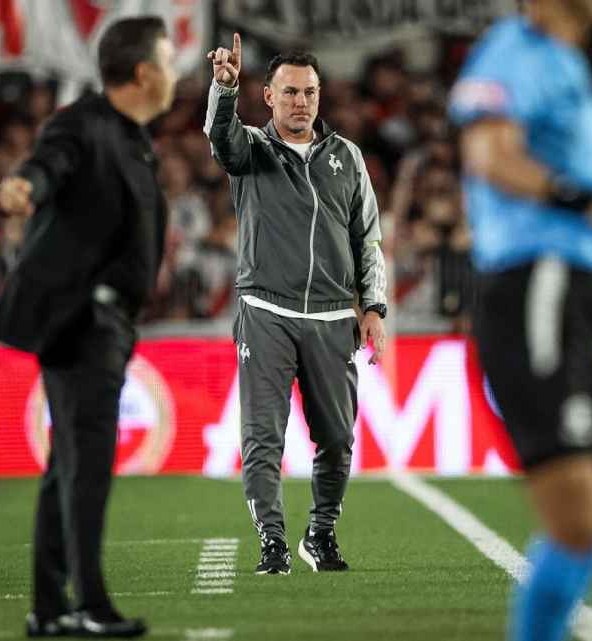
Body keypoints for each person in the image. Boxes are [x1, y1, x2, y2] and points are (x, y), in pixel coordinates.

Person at [449, 1, 592, 640]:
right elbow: (490, 156)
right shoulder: (513, 51)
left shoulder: (568, 61)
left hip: (573, 293)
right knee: (578, 512)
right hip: (534, 285)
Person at [0, 16, 177, 639]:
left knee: (67, 466)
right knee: (86, 465)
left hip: (108, 322)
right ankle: (91, 606)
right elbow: (50, 163)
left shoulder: (132, 136)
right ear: (144, 72)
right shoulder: (85, 123)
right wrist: (24, 186)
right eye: (169, 62)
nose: (175, 75)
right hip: (82, 321)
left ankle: (49, 608)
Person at [204, 35, 388, 575]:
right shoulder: (251, 150)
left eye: (308, 92)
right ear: (267, 97)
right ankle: (273, 544)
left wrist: (373, 308)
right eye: (289, 93)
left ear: (319, 95)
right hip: (266, 310)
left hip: (334, 317)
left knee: (337, 438)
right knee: (264, 436)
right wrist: (222, 88)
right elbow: (220, 139)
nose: (300, 102)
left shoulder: (348, 158)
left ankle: (320, 534)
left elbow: (368, 239)